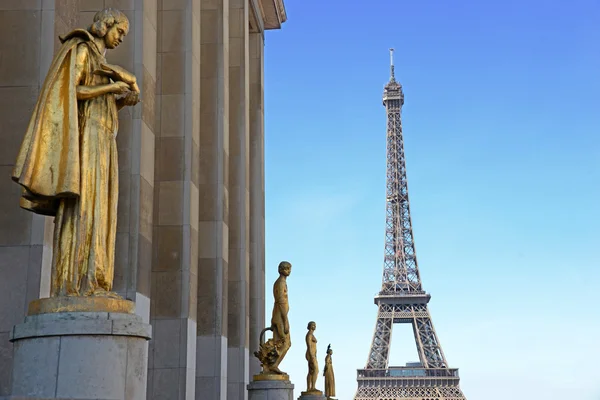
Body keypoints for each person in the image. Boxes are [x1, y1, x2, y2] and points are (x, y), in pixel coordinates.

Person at [12, 8, 140, 297]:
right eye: (119, 31)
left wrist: (120, 100)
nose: (121, 38)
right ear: (105, 25)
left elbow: (95, 103)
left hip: (104, 140)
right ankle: (77, 282)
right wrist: (111, 88)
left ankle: (97, 280)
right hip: (87, 140)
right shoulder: (82, 49)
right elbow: (71, 91)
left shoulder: (101, 62)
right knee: (86, 205)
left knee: (102, 209)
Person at [270, 261, 292, 373]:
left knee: (278, 343)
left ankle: (271, 366)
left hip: (278, 316)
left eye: (289, 269)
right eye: (287, 268)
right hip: (280, 318)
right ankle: (274, 365)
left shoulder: (280, 282)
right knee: (286, 343)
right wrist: (285, 320)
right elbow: (281, 302)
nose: (289, 271)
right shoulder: (280, 283)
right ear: (281, 269)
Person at [305, 321, 319, 392]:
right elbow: (309, 346)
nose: (314, 326)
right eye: (313, 325)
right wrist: (312, 356)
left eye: (315, 325)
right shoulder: (309, 335)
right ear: (310, 326)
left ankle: (309, 388)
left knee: (311, 371)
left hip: (312, 354)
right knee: (316, 370)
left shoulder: (311, 334)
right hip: (311, 354)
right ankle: (312, 387)